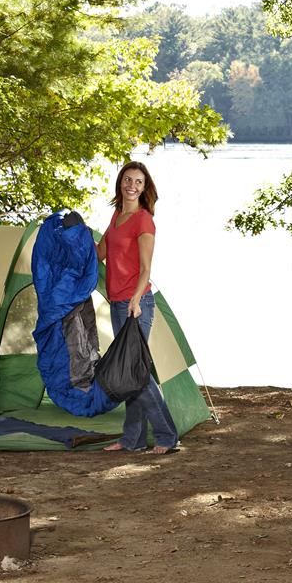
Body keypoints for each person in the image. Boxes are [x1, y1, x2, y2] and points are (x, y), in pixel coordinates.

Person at [96, 161, 180, 455]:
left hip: (137, 304)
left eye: (139, 182)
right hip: (118, 302)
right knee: (131, 372)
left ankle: (168, 437)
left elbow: (146, 268)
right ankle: (132, 440)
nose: (132, 186)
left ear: (145, 189)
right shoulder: (117, 215)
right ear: (120, 183)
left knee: (135, 374)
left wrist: (134, 299)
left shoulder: (144, 221)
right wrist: (72, 238)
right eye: (128, 180)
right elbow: (100, 253)